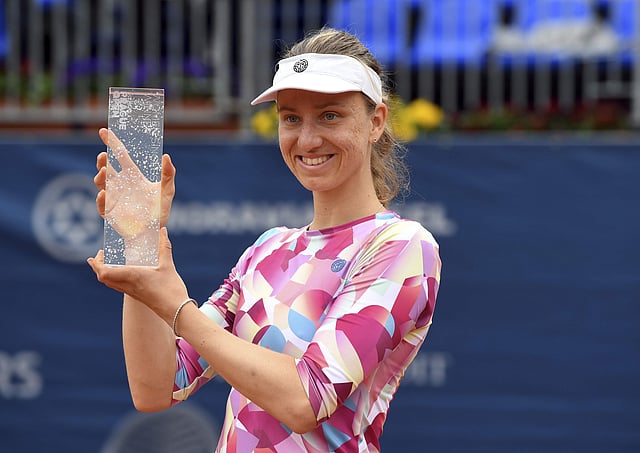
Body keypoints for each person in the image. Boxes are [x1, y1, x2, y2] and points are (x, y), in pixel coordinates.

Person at [88, 27, 442, 453]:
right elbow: (158, 386)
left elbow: (307, 399)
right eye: (291, 118)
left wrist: (176, 308)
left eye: (330, 115)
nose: (307, 139)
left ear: (376, 122)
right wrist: (140, 242)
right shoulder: (268, 247)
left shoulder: (402, 245)